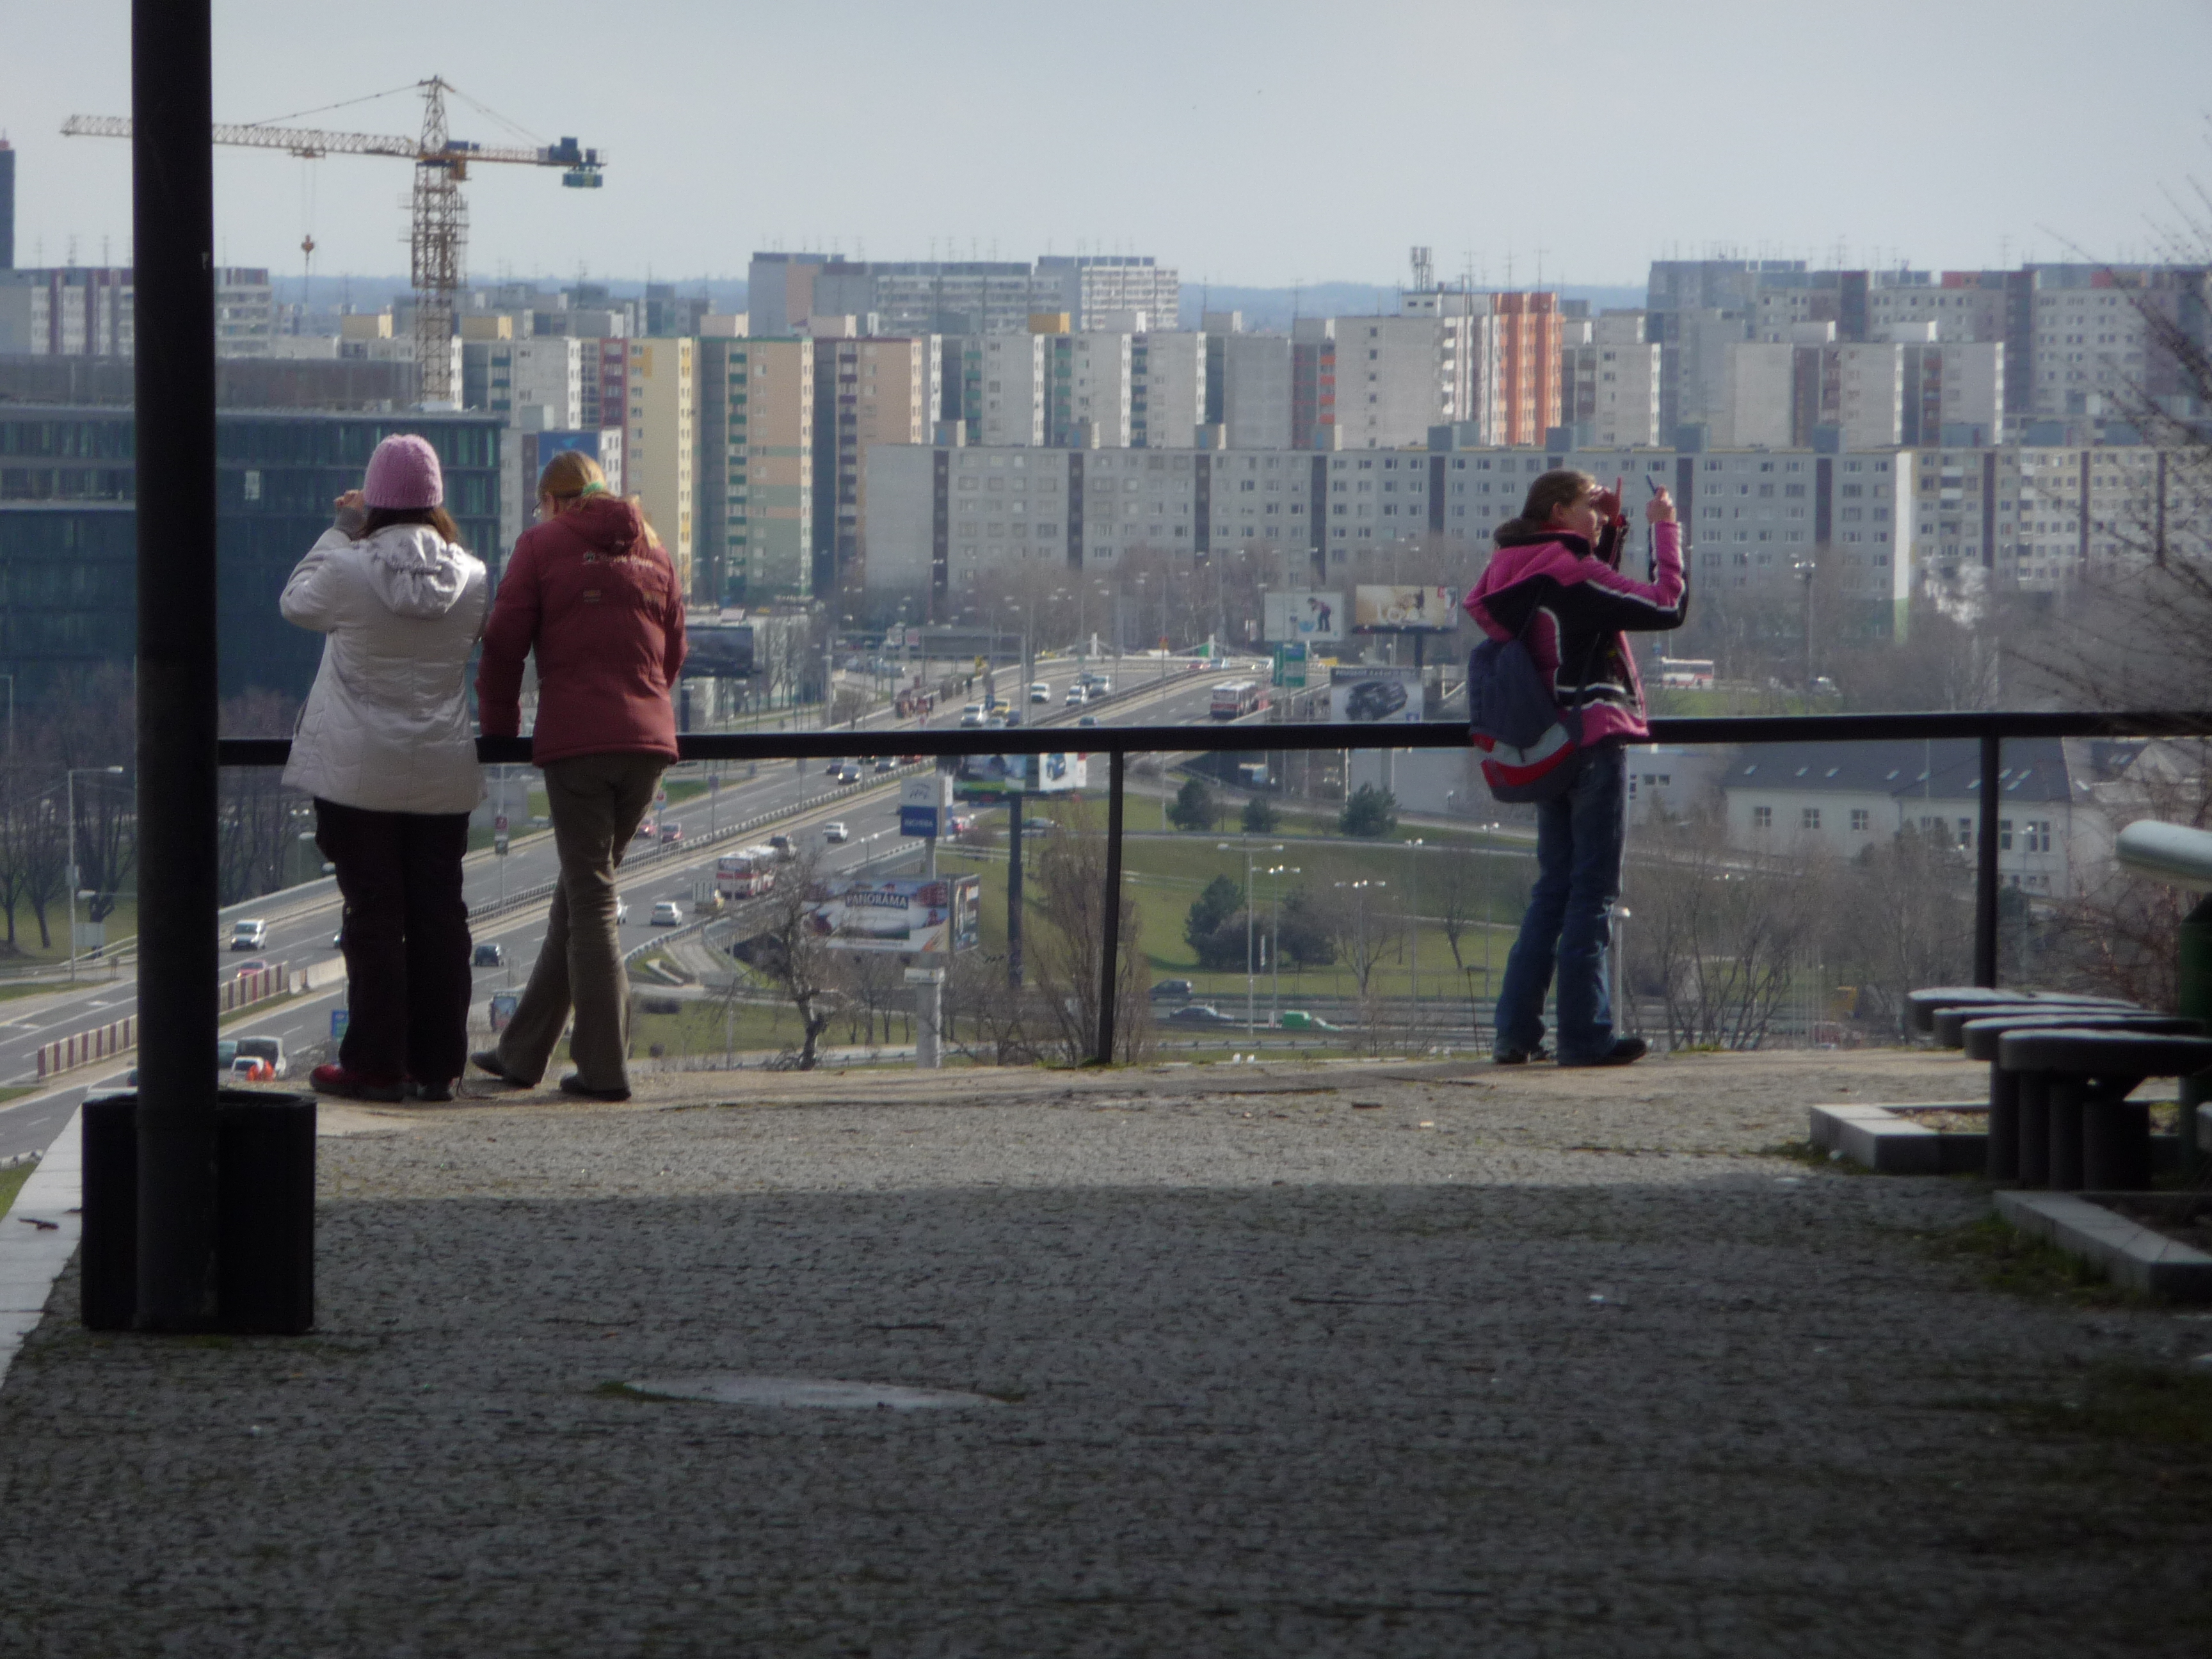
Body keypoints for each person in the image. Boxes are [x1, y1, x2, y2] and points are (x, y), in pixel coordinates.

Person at [280, 433, 489, 1102]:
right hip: (442, 769)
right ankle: (439, 1064)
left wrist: (340, 530)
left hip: (357, 773)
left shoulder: (347, 569)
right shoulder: (473, 578)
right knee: (440, 916)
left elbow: (296, 602)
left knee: (373, 916)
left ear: (374, 500)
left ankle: (374, 1064)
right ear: (436, 501)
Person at [472, 451, 686, 1101]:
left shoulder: (541, 547)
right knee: (578, 894)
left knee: (590, 903)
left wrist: (500, 731)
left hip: (579, 744)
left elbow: (503, 645)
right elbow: (674, 648)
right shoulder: (654, 548)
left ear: (554, 500)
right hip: (648, 745)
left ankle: (605, 1068)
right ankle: (522, 1053)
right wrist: (643, 707)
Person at [1464, 470, 1685, 1068]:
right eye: (1589, 505)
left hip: (1549, 742)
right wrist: (1665, 530)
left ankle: (1516, 1033)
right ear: (1558, 511)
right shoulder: (1570, 571)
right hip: (1595, 738)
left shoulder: (1513, 569)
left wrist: (1611, 528)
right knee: (1593, 893)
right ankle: (1585, 1037)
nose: (1598, 512)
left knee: (1553, 891)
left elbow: (1587, 609)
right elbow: (1666, 605)